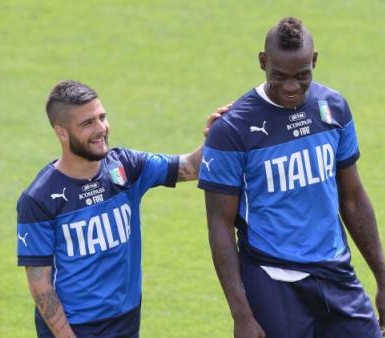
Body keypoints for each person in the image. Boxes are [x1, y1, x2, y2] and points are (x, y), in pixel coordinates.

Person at [198, 17, 385, 338]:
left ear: (315, 61)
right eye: (279, 76)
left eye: (302, 76)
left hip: (336, 273)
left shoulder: (334, 108)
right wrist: (242, 315)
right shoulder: (232, 129)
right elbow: (219, 225)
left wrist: (384, 282)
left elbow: (353, 197)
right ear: (263, 62)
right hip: (272, 278)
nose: (291, 87)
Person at [16, 80, 227, 338]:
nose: (100, 129)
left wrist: (217, 135)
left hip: (125, 320)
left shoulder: (126, 166)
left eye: (102, 117)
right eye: (87, 123)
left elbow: (191, 167)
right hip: (74, 327)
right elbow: (40, 284)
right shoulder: (39, 198)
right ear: (61, 132)